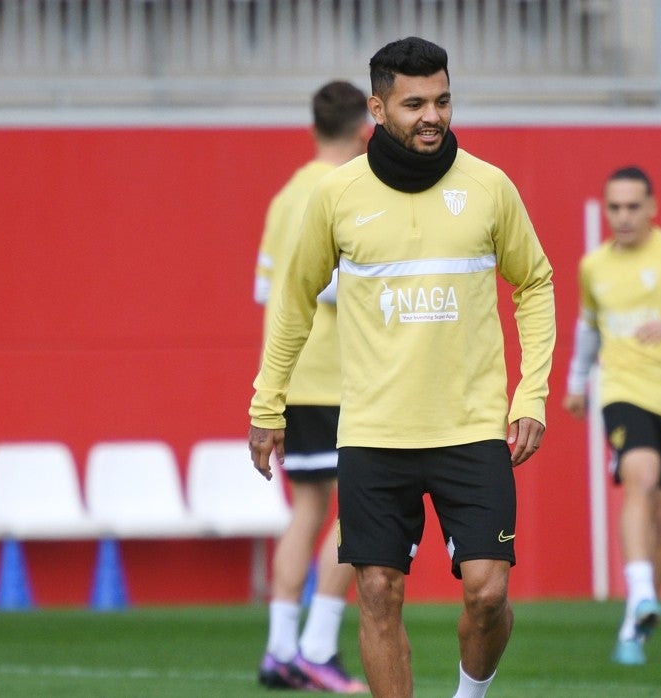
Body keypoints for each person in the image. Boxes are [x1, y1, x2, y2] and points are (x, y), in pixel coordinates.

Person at [248, 36, 555, 698]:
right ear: (377, 107)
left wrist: (531, 395)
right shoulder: (335, 196)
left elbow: (535, 284)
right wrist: (267, 405)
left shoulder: (489, 187)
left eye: (442, 100)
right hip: (373, 433)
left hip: (471, 428)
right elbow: (293, 300)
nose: (432, 116)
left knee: (486, 591)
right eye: (415, 103)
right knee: (379, 591)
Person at [563, 166, 661, 666]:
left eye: (632, 206)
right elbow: (588, 327)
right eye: (614, 207)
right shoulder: (594, 266)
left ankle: (635, 626)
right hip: (623, 390)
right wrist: (575, 381)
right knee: (641, 478)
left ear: (652, 207)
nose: (623, 217)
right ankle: (640, 595)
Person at [254, 79, 371, 694]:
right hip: (337, 374)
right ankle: (318, 647)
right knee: (364, 509)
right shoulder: (341, 191)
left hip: (293, 376)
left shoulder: (285, 196)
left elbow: (264, 289)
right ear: (364, 131)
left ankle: (280, 650)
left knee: (307, 509)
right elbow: (323, 287)